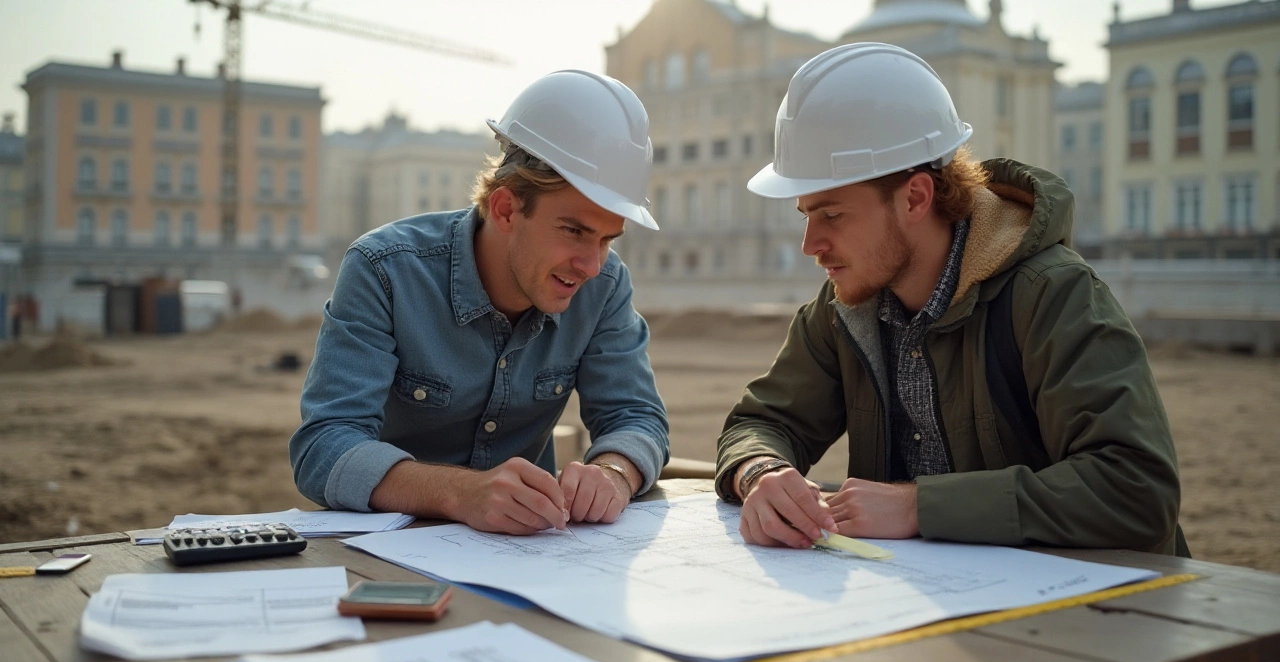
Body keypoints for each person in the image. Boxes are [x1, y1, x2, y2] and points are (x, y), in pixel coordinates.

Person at [716, 43, 1187, 556]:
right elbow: (760, 423)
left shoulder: (1052, 294)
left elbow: (1137, 490)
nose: (811, 245)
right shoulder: (845, 308)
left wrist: (920, 507)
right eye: (805, 215)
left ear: (916, 197)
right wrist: (761, 470)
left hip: (1100, 617)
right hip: (935, 609)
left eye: (832, 215)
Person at [291, 69, 669, 535]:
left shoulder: (605, 285)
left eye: (608, 239)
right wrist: (460, 493)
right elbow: (324, 446)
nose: (591, 265)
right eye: (574, 231)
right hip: (387, 554)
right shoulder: (385, 271)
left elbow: (636, 417)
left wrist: (614, 472)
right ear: (506, 208)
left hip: (527, 553)